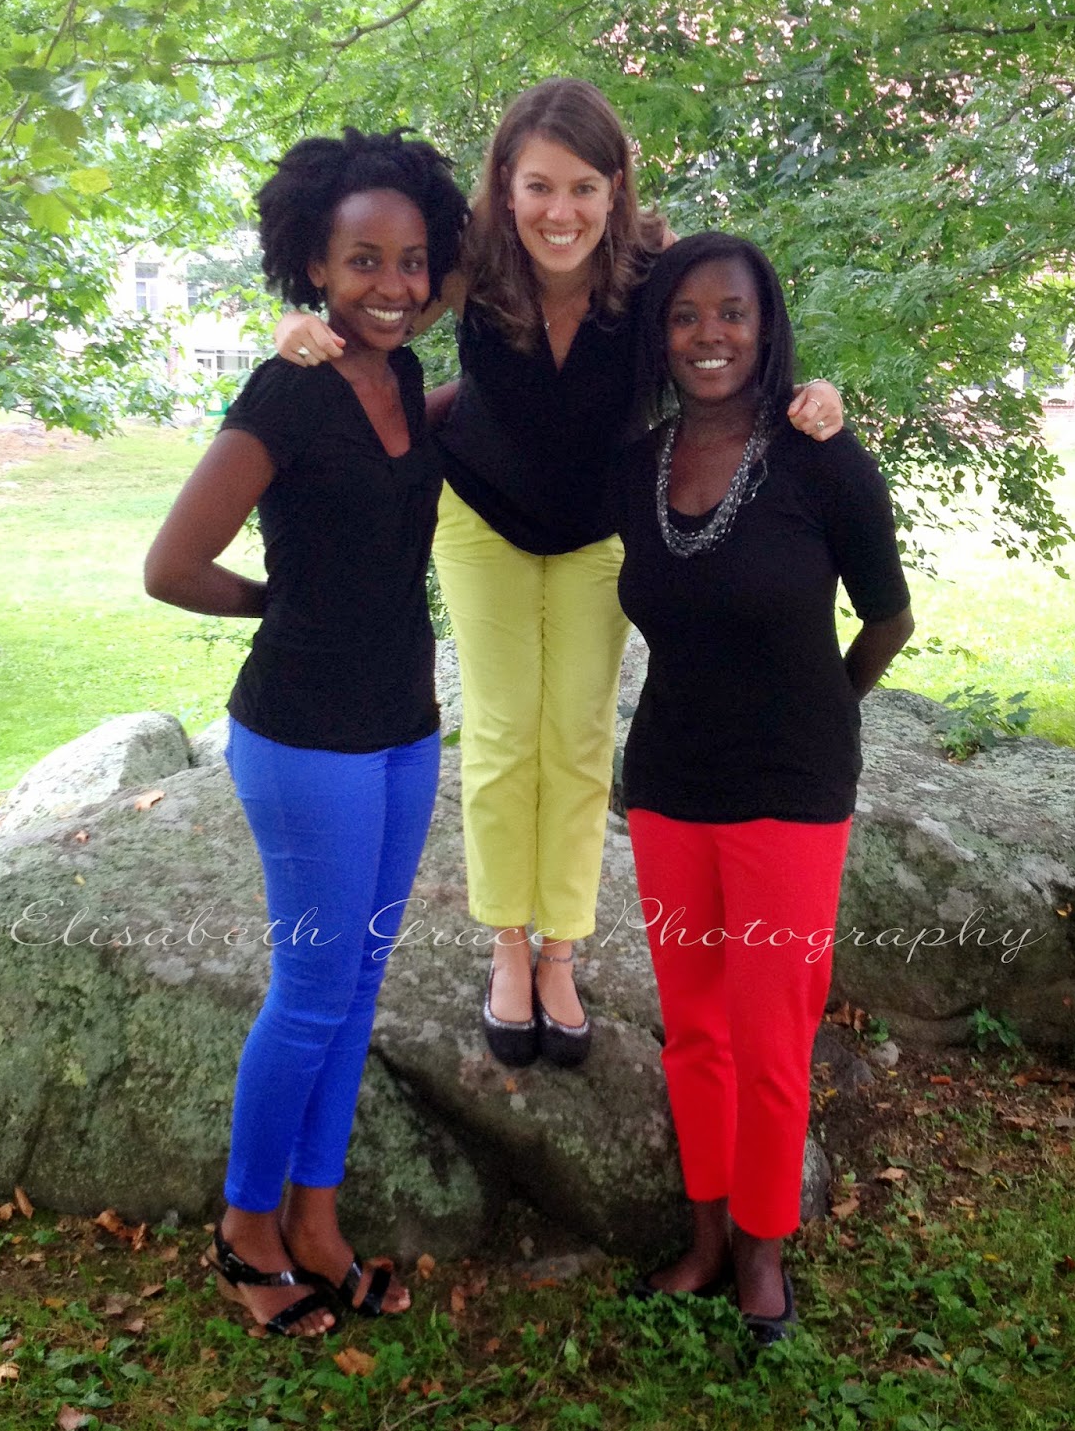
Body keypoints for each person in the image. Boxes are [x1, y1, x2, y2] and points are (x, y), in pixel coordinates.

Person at [272, 80, 845, 1070]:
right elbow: (378, 312)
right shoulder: (470, 263)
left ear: (616, 185)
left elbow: (726, 348)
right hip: (482, 520)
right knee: (503, 731)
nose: (561, 211)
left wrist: (813, 394)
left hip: (599, 532)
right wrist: (295, 328)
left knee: (577, 738)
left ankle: (561, 952)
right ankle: (507, 943)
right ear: (506, 182)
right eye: (539, 185)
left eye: (584, 186)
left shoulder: (653, 270)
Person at [144, 129, 470, 1335]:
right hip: (305, 738)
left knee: (360, 978)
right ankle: (245, 1231)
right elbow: (172, 565)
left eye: (411, 260)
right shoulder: (289, 389)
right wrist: (279, 604)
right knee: (314, 988)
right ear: (314, 266)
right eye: (361, 260)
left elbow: (480, 292)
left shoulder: (403, 376)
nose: (391, 283)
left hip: (403, 730)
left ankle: (318, 1221)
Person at [612, 232, 913, 1342]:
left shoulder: (822, 457)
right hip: (670, 785)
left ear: (766, 326)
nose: (709, 336)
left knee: (772, 1036)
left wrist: (823, 707)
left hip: (790, 791)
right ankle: (704, 1237)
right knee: (693, 1030)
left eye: (731, 313)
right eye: (685, 315)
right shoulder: (634, 464)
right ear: (660, 335)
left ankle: (763, 1251)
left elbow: (888, 619)